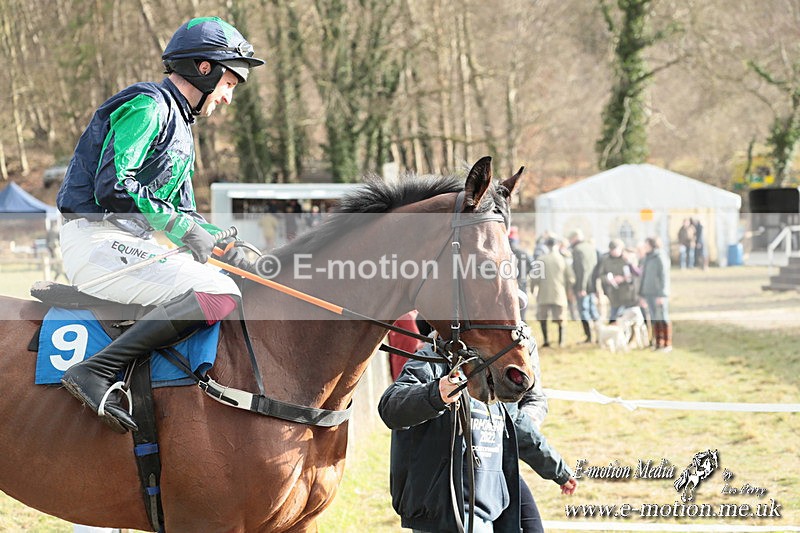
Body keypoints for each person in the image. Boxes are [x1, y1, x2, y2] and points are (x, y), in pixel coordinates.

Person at [55, 17, 265, 433]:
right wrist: (185, 231)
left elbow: (183, 213)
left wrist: (225, 247)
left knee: (227, 276)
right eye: (229, 83)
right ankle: (95, 372)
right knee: (217, 291)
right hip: (96, 241)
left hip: (126, 243)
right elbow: (115, 184)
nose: (227, 98)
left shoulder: (181, 128)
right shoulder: (149, 105)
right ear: (204, 69)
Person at [378, 337, 577, 533]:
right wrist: (436, 394)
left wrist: (558, 470)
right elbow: (390, 408)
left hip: (488, 508)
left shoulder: (496, 369)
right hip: (444, 512)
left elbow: (519, 428)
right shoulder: (432, 361)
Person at [532, 237, 575, 348]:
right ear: (556, 245)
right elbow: (571, 278)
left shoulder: (541, 259)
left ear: (546, 246)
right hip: (559, 293)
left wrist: (533, 290)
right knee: (561, 318)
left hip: (544, 294)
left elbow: (534, 278)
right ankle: (561, 341)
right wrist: (568, 290)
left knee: (543, 317)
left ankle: (546, 341)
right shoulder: (563, 260)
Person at [638, 236, 672, 352]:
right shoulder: (647, 258)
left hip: (658, 294)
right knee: (653, 318)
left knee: (662, 317)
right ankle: (657, 343)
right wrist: (641, 294)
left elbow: (664, 277)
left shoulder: (660, 257)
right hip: (648, 293)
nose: (644, 247)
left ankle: (667, 343)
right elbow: (644, 277)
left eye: (646, 245)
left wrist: (662, 294)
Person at [568, 229, 599, 343]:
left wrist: (581, 287)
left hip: (583, 285)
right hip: (592, 284)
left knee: (584, 310)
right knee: (593, 310)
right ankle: (599, 334)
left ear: (574, 238)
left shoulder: (577, 249)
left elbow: (582, 270)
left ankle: (589, 336)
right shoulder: (590, 247)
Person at [596, 239, 637, 323]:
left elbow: (636, 274)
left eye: (616, 250)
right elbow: (601, 275)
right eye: (612, 250)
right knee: (613, 316)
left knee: (628, 317)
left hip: (627, 293)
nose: (614, 252)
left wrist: (623, 278)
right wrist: (609, 279)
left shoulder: (627, 258)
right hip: (613, 293)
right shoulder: (605, 260)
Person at [508, 226, 534, 322]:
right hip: (521, 285)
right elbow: (532, 267)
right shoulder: (524, 252)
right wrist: (524, 274)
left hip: (506, 286)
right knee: (522, 314)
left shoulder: (504, 252)